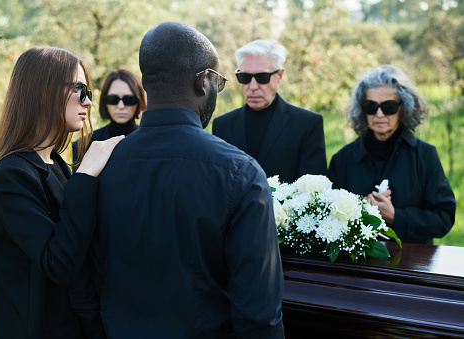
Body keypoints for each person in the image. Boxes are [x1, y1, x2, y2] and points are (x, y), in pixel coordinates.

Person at [88, 21, 284, 338]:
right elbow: (259, 315)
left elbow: (83, 286)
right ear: (202, 81)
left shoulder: (96, 167)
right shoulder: (240, 173)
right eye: (218, 82)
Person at [0, 46, 122, 338]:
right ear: (43, 92)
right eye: (80, 90)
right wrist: (85, 176)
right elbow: (58, 264)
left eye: (89, 92)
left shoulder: (53, 160)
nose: (88, 102)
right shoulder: (11, 174)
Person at [328, 65, 456, 244]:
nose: (379, 114)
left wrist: (396, 216)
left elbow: (444, 218)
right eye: (370, 106)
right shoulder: (342, 160)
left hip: (411, 265)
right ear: (361, 109)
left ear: (403, 108)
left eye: (388, 106)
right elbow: (327, 220)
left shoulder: (425, 155)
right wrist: (358, 209)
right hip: (355, 265)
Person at [212, 39, 327, 183]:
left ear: (279, 76)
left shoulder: (307, 124)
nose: (253, 86)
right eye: (245, 77)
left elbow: (314, 191)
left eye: (262, 77)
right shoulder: (222, 126)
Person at [72, 68, 146, 163]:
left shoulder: (152, 141)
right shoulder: (83, 145)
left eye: (129, 100)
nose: (121, 106)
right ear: (104, 102)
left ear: (139, 102)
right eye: (113, 99)